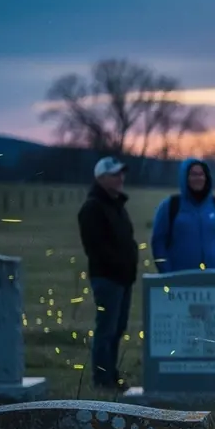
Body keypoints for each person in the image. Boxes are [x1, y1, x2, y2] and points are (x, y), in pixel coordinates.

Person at [77, 156, 139, 390]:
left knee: (117, 328)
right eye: (114, 174)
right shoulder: (93, 208)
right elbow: (95, 247)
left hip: (123, 279)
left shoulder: (116, 205)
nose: (120, 178)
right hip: (107, 279)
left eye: (121, 173)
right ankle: (102, 379)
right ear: (101, 178)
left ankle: (111, 375)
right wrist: (118, 265)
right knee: (106, 329)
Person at [151, 157, 215, 272]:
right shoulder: (171, 205)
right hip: (179, 279)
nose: (198, 178)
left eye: (201, 174)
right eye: (193, 174)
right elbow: (158, 243)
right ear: (185, 177)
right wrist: (167, 271)